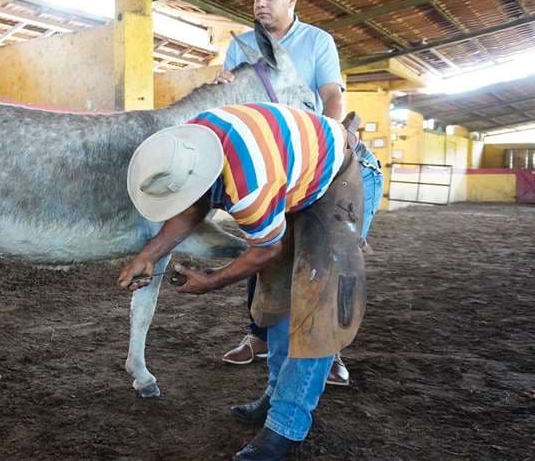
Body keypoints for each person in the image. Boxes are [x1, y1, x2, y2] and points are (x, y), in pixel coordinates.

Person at [118, 102, 377, 460]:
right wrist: (148, 254)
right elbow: (195, 205)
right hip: (294, 176)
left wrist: (211, 281)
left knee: (317, 300)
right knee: (277, 294)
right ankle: (276, 394)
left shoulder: (249, 188)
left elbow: (265, 251)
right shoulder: (191, 142)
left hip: (343, 175)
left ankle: (286, 424)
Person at [214, 0, 382, 387]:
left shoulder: (317, 41)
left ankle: (329, 349)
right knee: (265, 244)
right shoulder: (242, 46)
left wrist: (331, 136)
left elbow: (331, 94)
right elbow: (233, 101)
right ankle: (258, 335)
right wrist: (221, 86)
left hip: (309, 159)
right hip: (267, 162)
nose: (259, 4)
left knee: (325, 255)